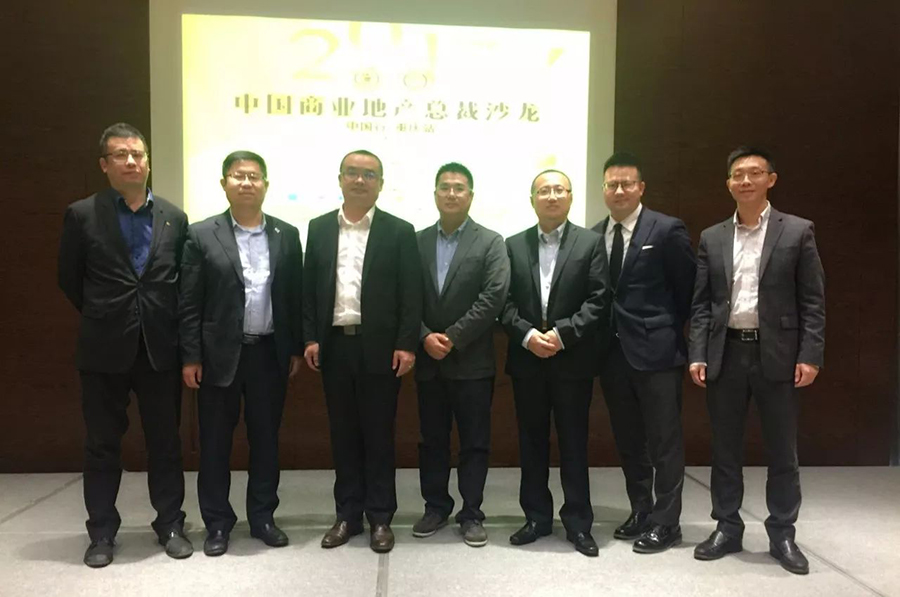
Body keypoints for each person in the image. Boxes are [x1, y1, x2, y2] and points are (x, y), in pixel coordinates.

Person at [58, 122, 192, 567]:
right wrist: (108, 314)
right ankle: (101, 532)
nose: (132, 161)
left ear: (148, 161)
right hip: (103, 348)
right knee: (102, 444)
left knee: (165, 442)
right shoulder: (82, 214)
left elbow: (179, 283)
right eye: (121, 154)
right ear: (104, 164)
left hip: (159, 348)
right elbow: (69, 279)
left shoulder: (174, 217)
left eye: (138, 154)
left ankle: (170, 524)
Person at [688, 146, 825, 575]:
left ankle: (782, 532)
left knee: (782, 450)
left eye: (754, 173)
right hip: (725, 351)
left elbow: (813, 300)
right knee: (725, 448)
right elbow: (702, 303)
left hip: (777, 354)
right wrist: (697, 351)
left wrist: (810, 354)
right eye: (738, 175)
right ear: (728, 183)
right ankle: (727, 527)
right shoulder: (712, 236)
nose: (745, 181)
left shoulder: (797, 231)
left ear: (771, 179)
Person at [179, 151, 303, 556]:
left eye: (254, 176)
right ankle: (217, 523)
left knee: (266, 440)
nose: (246, 183)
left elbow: (293, 296)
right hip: (218, 356)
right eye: (238, 176)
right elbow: (189, 300)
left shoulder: (286, 234)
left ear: (266, 184)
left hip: (269, 353)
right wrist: (191, 356)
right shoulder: (202, 234)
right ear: (224, 184)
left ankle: (263, 517)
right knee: (215, 443)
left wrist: (295, 348)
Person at [303, 150, 422, 553]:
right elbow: (309, 289)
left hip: (381, 349)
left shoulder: (399, 231)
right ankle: (347, 515)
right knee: (343, 436)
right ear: (340, 179)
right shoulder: (319, 228)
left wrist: (406, 344)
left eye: (369, 174)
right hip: (334, 346)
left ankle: (381, 517)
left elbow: (411, 293)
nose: (359, 180)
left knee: (378, 435)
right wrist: (310, 337)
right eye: (352, 173)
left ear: (381, 184)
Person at [592, 152, 696, 553]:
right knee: (629, 439)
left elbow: (686, 290)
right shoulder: (595, 234)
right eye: (612, 184)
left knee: (664, 440)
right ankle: (641, 510)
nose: (619, 191)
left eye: (627, 184)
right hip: (612, 354)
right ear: (603, 190)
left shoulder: (666, 229)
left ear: (641, 188)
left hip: (658, 354)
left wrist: (662, 329)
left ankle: (667, 522)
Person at [501, 169, 607, 557]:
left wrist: (562, 335)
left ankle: (578, 523)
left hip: (571, 360)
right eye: (543, 191)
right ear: (532, 200)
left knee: (574, 443)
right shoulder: (513, 245)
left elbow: (598, 299)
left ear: (570, 196)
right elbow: (504, 302)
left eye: (558, 189)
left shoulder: (590, 242)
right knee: (531, 442)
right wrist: (528, 335)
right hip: (527, 359)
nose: (551, 196)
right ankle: (536, 518)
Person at [412, 162, 510, 547]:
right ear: (435, 193)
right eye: (445, 187)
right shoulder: (415, 241)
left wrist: (452, 337)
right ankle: (435, 506)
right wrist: (424, 336)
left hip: (472, 361)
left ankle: (471, 513)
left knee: (474, 442)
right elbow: (404, 296)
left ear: (471, 195)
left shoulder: (490, 242)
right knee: (431, 440)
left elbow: (494, 296)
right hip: (428, 360)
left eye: (459, 187)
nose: (451, 193)